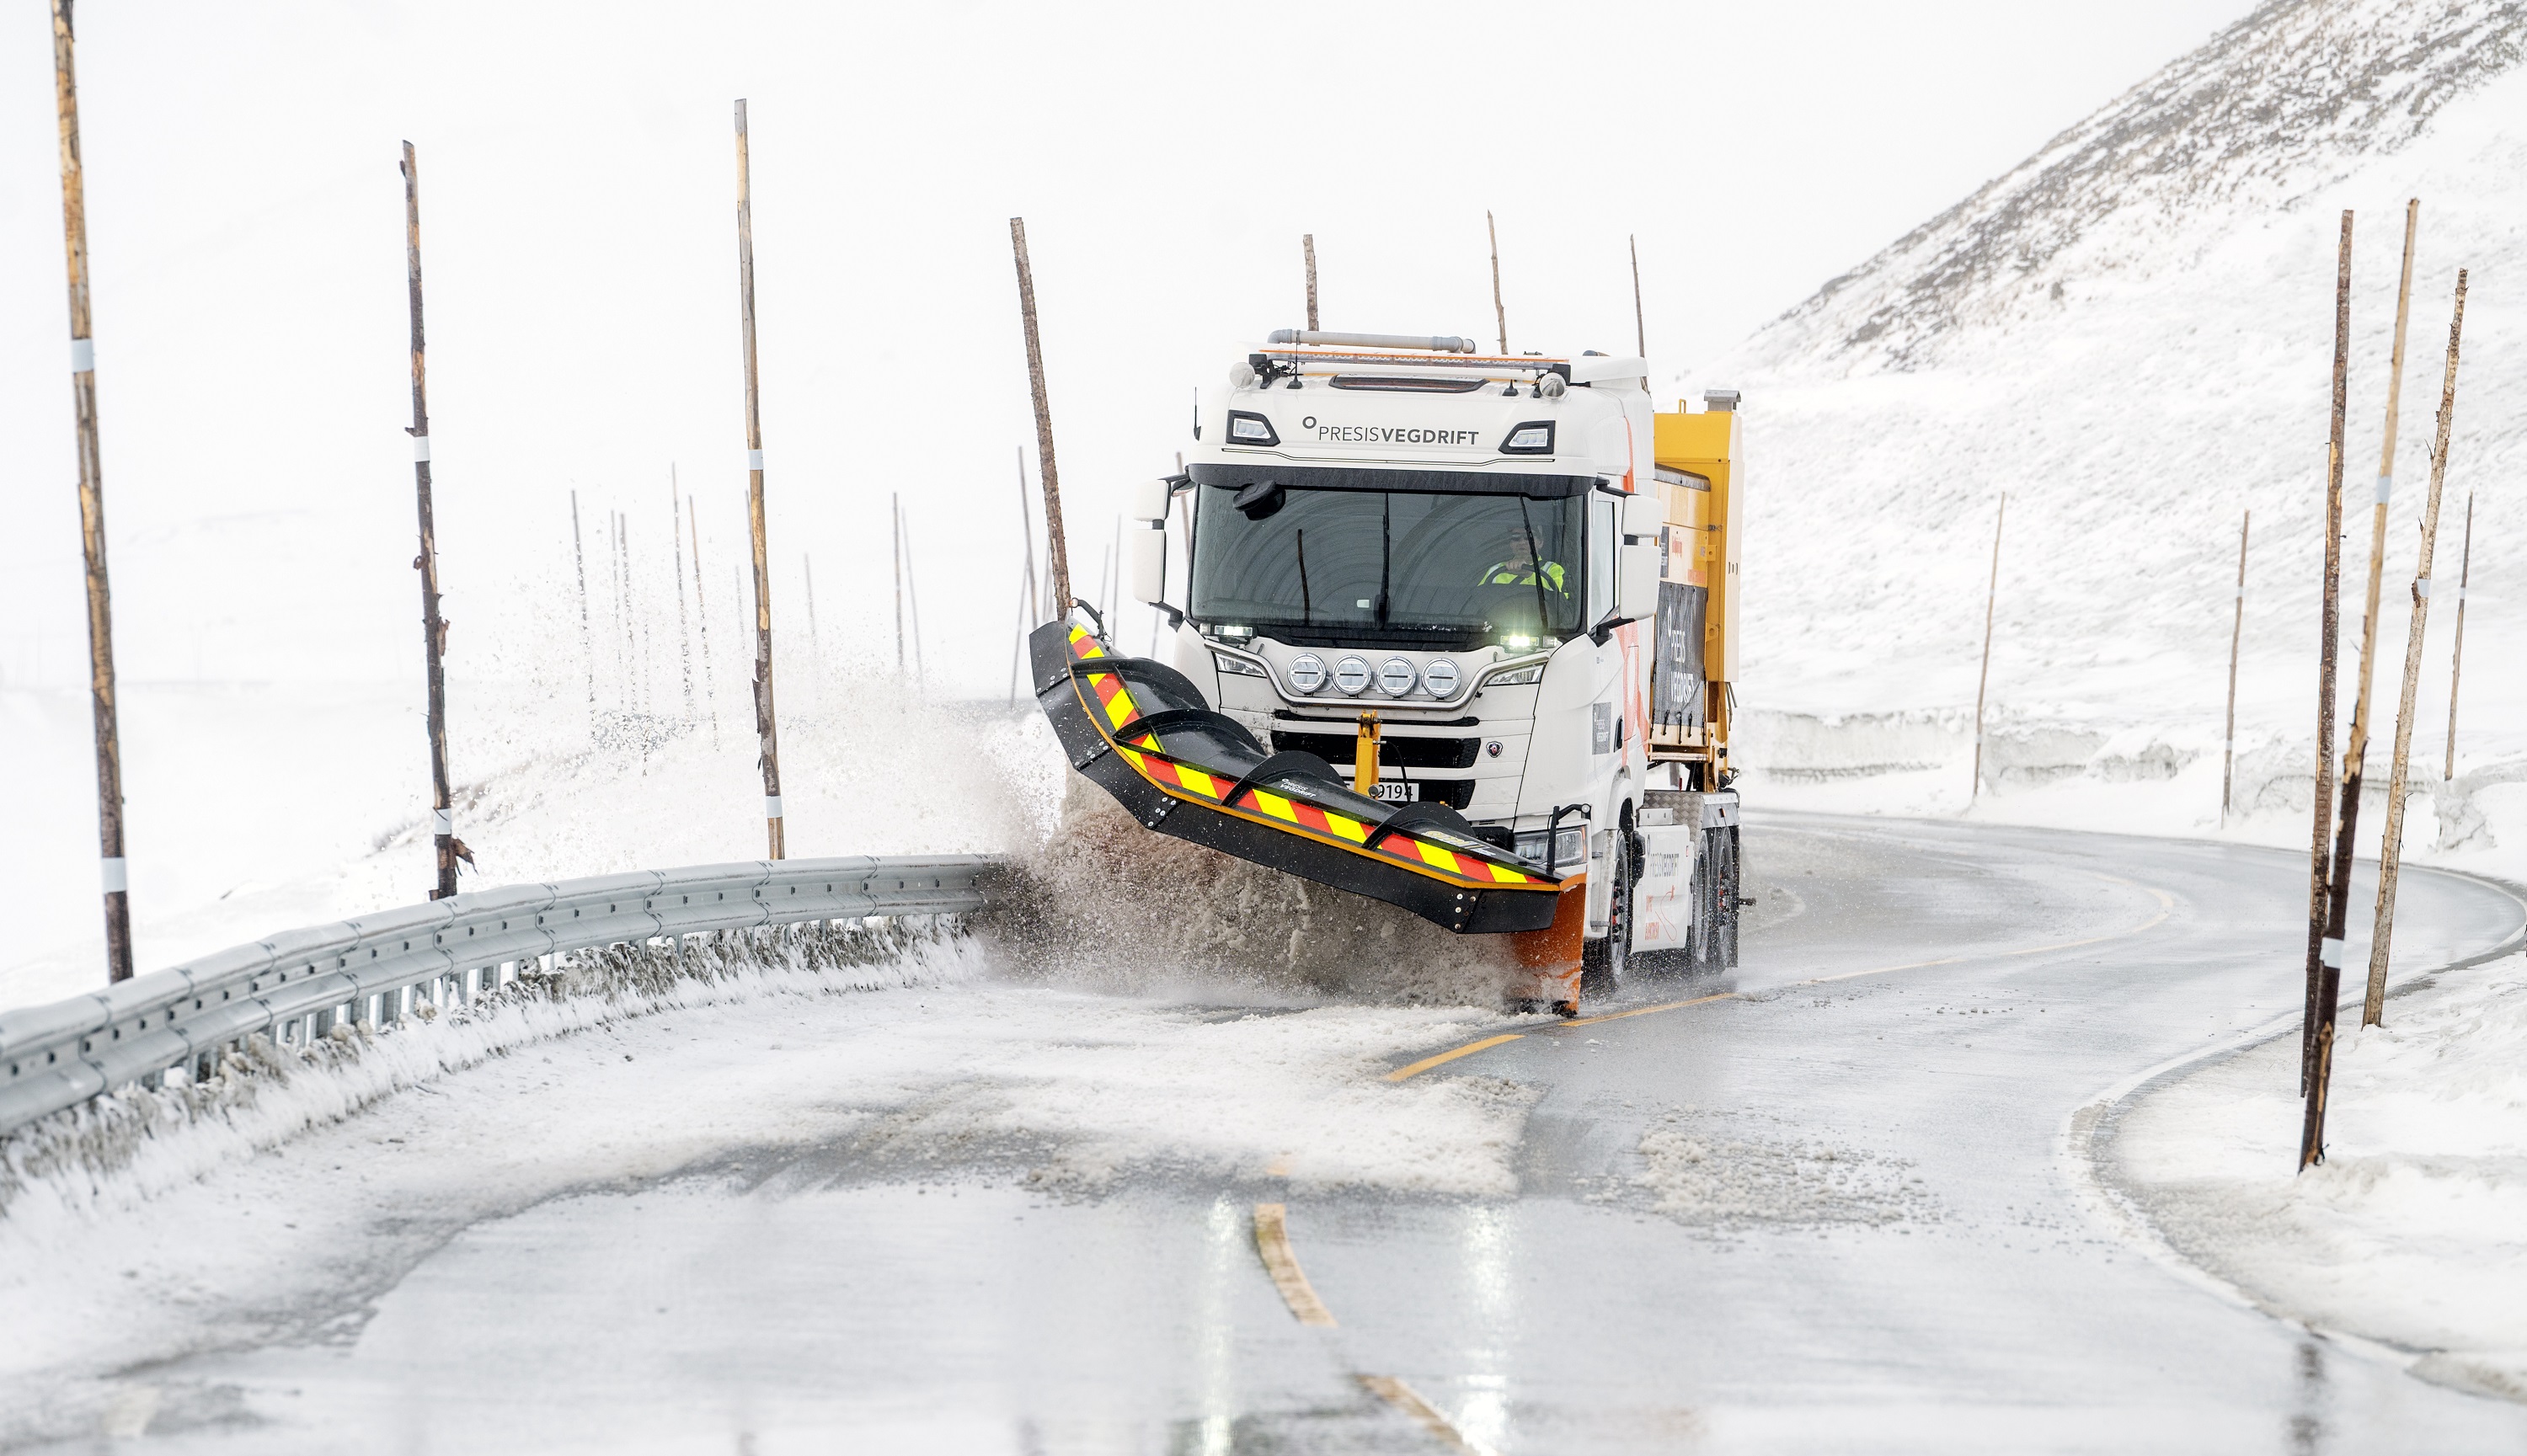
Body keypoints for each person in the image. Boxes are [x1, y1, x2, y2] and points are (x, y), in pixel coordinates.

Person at [1476, 527, 1568, 596]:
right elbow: (1477, 600)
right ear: (1511, 543)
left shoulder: (1553, 569)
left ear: (1540, 542)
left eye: (1529, 536)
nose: (1522, 542)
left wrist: (1529, 575)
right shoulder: (1495, 570)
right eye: (1516, 538)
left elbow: (1562, 603)